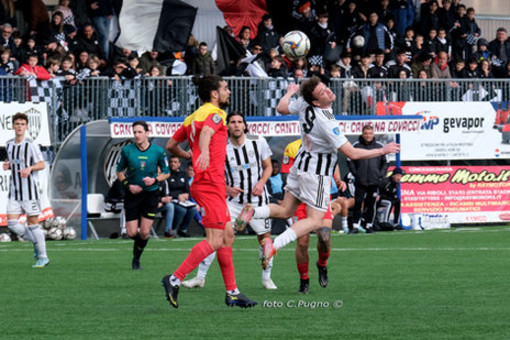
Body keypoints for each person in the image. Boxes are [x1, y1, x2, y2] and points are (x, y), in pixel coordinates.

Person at [235, 76, 400, 269]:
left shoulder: (304, 101)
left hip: (300, 167)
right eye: (322, 92)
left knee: (286, 210)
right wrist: (382, 150)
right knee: (314, 221)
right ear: (316, 101)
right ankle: (273, 245)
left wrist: (290, 92)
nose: (328, 91)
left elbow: (281, 108)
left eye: (326, 88)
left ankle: (253, 211)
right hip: (317, 174)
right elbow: (351, 152)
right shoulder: (327, 121)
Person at [162, 75, 257, 309]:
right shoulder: (217, 113)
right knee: (215, 240)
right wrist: (202, 153)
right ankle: (174, 279)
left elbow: (170, 146)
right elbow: (206, 133)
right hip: (208, 184)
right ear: (214, 93)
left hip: (209, 183)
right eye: (225, 88)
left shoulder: (192, 117)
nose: (228, 92)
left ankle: (232, 292)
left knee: (227, 237)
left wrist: (190, 156)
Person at [181, 111, 277, 290]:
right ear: (227, 126)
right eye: (232, 122)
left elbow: (268, 166)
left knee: (265, 240)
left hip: (257, 201)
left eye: (240, 121)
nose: (236, 125)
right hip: (233, 203)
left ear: (245, 125)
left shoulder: (258, 141)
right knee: (216, 237)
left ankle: (266, 278)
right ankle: (200, 278)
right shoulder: (222, 148)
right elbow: (213, 173)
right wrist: (226, 189)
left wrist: (262, 182)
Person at [116, 120, 170, 270]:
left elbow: (166, 172)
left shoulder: (158, 151)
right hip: (132, 195)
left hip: (151, 195)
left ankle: (136, 258)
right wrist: (128, 185)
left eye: (140, 132)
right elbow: (119, 171)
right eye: (135, 133)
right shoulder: (127, 151)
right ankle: (137, 246)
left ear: (147, 133)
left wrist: (155, 179)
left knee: (145, 232)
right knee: (132, 232)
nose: (137, 135)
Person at [4, 112, 49, 268]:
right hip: (15, 192)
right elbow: (12, 162)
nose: (19, 127)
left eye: (22, 124)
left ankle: (43, 257)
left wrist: (30, 168)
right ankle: (37, 243)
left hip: (30, 191)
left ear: (27, 127)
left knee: (32, 224)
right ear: (12, 126)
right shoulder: (9, 144)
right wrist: (7, 165)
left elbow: (42, 164)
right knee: (12, 223)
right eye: (17, 124)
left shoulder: (31, 144)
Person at [347, 125, 389, 234]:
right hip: (361, 181)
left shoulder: (380, 146)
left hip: (374, 181)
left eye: (370, 133)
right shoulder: (355, 145)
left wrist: (380, 174)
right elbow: (349, 159)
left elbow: (386, 162)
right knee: (358, 202)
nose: (368, 136)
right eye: (366, 133)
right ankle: (355, 226)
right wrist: (356, 173)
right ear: (362, 134)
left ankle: (369, 226)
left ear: (373, 134)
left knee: (371, 204)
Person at [159, 155, 197, 238]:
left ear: (179, 164)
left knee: (193, 209)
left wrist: (186, 195)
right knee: (182, 210)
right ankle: (172, 229)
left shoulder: (183, 174)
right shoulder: (166, 174)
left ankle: (183, 229)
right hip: (172, 200)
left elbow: (188, 190)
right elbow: (167, 192)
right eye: (171, 162)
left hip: (182, 200)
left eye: (175, 162)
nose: (173, 164)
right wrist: (178, 196)